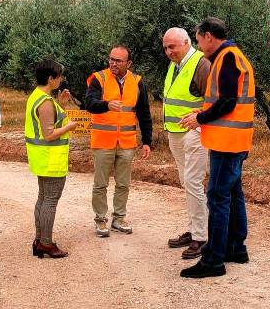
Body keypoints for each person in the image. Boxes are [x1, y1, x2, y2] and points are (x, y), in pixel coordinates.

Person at [179, 17, 255, 279]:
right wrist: (201, 112)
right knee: (233, 193)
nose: (199, 46)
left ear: (208, 36)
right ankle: (236, 247)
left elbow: (228, 102)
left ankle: (213, 260)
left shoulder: (227, 58)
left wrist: (200, 118)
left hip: (227, 142)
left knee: (217, 196)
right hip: (234, 139)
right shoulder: (231, 56)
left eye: (198, 40)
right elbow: (225, 102)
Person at [84, 45, 152, 237]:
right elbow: (89, 104)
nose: (113, 63)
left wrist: (147, 141)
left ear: (128, 63)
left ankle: (119, 218)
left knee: (123, 184)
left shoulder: (138, 82)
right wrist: (106, 105)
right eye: (111, 59)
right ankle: (100, 220)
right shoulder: (99, 78)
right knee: (100, 184)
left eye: (118, 60)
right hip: (103, 141)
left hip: (127, 142)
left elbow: (144, 114)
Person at [162, 28, 211, 259]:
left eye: (173, 46)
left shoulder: (201, 64)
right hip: (176, 132)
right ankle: (194, 230)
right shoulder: (176, 64)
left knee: (193, 182)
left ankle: (201, 237)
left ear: (186, 42)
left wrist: (200, 119)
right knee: (186, 182)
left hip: (196, 133)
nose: (169, 51)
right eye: (165, 47)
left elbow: (213, 100)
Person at [26, 60, 79, 258]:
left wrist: (61, 104)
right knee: (50, 200)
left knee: (43, 198)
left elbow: (47, 122)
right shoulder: (46, 102)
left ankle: (39, 240)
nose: (61, 79)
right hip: (51, 159)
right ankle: (46, 244)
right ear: (51, 78)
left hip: (41, 158)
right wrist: (69, 126)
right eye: (59, 76)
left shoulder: (38, 96)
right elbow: (49, 133)